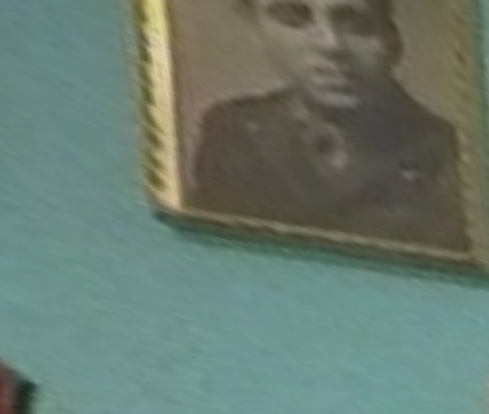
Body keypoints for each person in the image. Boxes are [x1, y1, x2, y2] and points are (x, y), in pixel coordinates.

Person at [184, 0, 471, 256]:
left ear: (392, 40)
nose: (330, 44)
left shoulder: (450, 156)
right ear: (258, 30)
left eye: (355, 23)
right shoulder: (233, 130)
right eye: (294, 17)